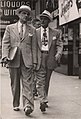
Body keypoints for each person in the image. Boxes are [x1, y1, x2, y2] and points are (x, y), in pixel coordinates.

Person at [1, 5, 37, 116]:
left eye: (27, 14)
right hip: (13, 59)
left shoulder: (32, 29)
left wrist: (34, 61)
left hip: (27, 60)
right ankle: (16, 103)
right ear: (19, 14)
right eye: (23, 13)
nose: (26, 16)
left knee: (28, 84)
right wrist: (5, 56)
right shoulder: (10, 28)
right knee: (15, 84)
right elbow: (5, 43)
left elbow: (34, 47)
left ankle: (28, 105)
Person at [36, 10, 63, 106]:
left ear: (49, 21)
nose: (42, 21)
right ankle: (42, 100)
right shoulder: (36, 32)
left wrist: (59, 53)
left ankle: (44, 97)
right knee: (40, 80)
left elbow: (59, 44)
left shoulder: (56, 32)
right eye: (41, 19)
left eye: (45, 19)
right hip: (40, 57)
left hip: (50, 57)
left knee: (46, 80)